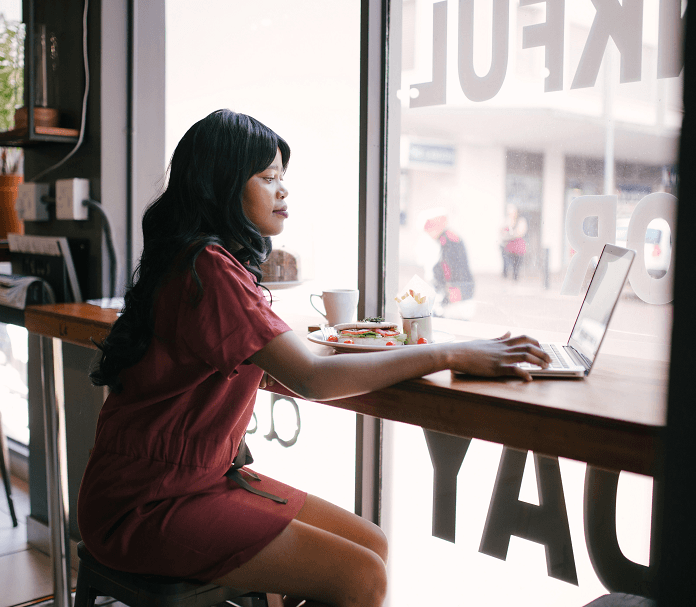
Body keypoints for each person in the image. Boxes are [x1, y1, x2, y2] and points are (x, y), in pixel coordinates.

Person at [78, 109, 550, 607]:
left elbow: (277, 362)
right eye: (269, 177)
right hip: (149, 500)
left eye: (284, 178)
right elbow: (313, 378)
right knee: (361, 575)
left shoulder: (202, 260)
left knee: (372, 546)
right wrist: (450, 353)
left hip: (183, 478)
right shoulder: (208, 268)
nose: (284, 191)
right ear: (220, 185)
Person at [422, 210, 475, 307]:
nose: (429, 236)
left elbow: (448, 266)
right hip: (461, 286)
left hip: (458, 288)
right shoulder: (447, 236)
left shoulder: (447, 240)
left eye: (429, 232)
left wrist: (446, 288)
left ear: (435, 228)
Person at [500, 204, 528, 281]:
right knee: (508, 262)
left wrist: (510, 234)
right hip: (509, 246)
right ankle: (507, 276)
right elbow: (502, 231)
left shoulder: (521, 220)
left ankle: (515, 278)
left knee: (517, 264)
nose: (511, 214)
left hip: (518, 246)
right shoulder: (507, 221)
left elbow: (520, 232)